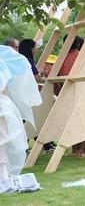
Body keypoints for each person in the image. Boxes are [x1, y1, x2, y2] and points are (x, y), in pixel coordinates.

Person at [0, 45, 42, 193]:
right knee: (5, 143)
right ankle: (4, 179)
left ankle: (4, 178)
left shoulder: (3, 59)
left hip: (4, 107)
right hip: (4, 106)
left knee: (6, 143)